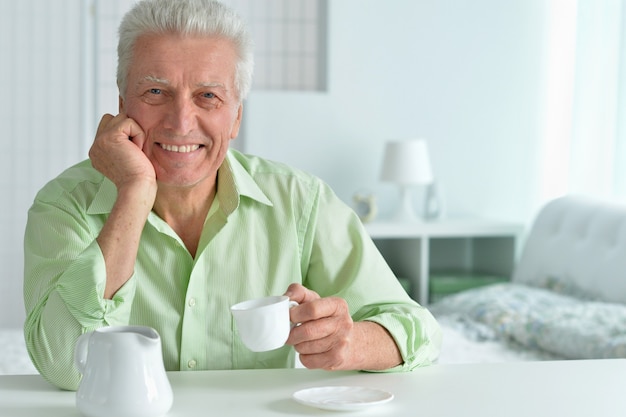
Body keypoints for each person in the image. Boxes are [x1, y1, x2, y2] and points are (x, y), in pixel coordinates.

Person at [23, 0, 441, 391]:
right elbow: (63, 364)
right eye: (155, 92)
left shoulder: (300, 200)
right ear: (121, 105)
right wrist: (133, 192)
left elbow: (417, 329)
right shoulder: (64, 205)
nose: (182, 121)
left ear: (237, 114)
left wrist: (349, 343)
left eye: (208, 96)